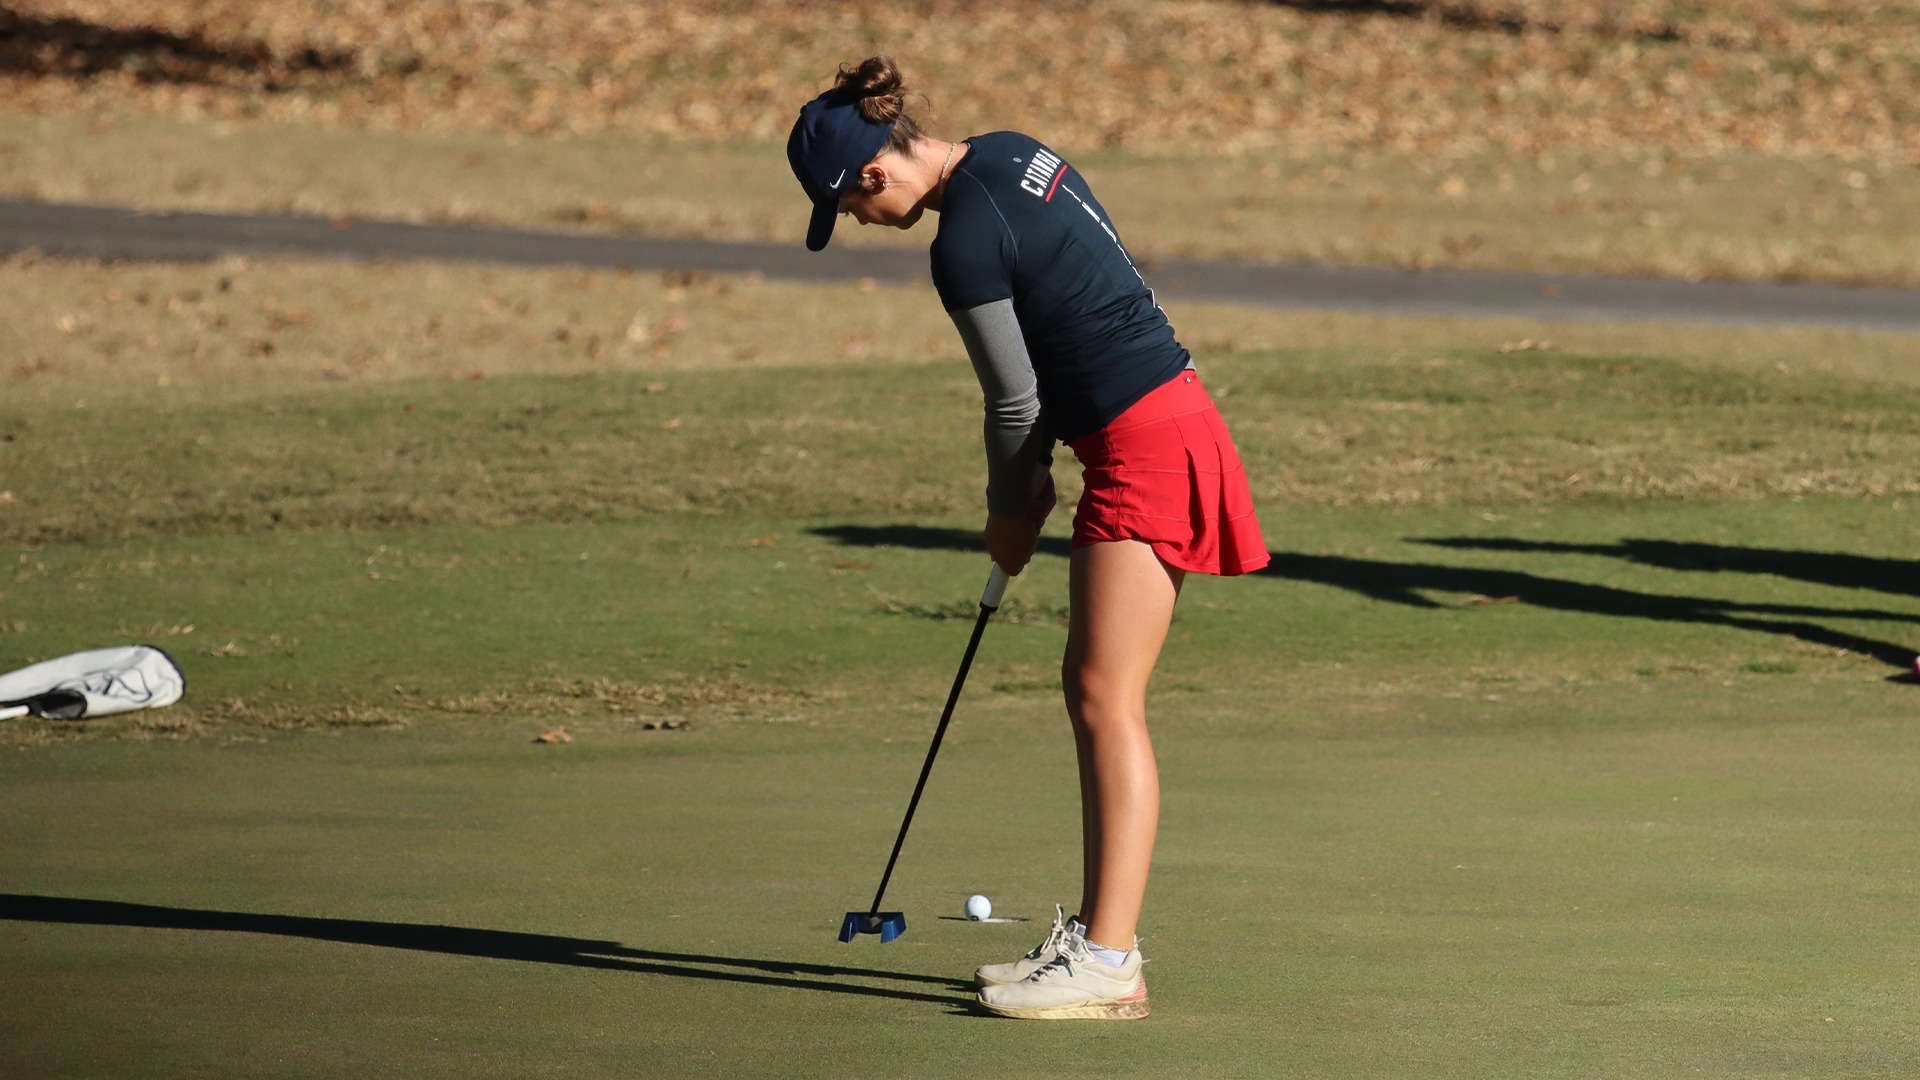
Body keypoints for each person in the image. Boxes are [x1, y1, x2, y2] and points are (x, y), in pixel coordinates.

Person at [788, 56, 1269, 1021]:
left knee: (1102, 696)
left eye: (843, 208)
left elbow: (1013, 400)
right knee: (1095, 692)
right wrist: (1034, 478)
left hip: (1147, 443)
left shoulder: (960, 244)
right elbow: (1061, 328)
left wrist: (1009, 509)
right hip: (1157, 420)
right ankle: (1097, 942)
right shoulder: (1016, 155)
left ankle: (1108, 959)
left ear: (873, 174)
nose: (852, 224)